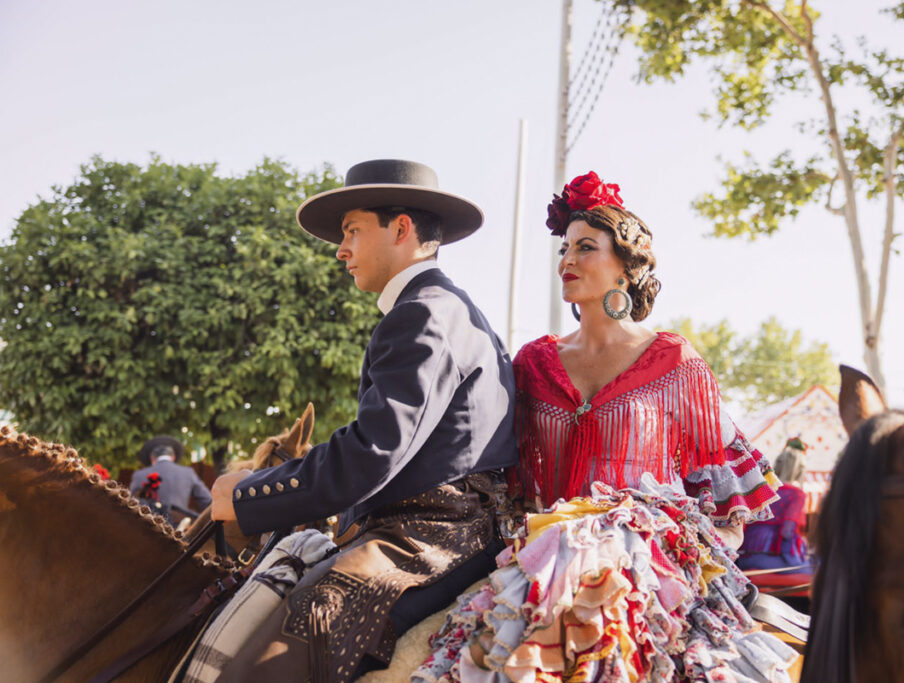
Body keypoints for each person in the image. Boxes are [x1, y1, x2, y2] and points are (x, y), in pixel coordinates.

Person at [413, 172, 794, 683]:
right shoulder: (532, 362)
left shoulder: (675, 362)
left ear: (626, 267)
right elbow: (502, 471)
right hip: (541, 558)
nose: (566, 261)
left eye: (585, 248)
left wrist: (689, 551)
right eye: (564, 249)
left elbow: (718, 490)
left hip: (645, 567)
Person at [207, 159, 518, 681]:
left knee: (302, 628)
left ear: (401, 229)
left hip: (435, 532)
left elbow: (372, 451)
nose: (341, 249)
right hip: (430, 524)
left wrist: (247, 493)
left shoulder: (423, 312)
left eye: (352, 230)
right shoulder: (441, 308)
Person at [738, 438, 810, 571]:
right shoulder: (796, 494)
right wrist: (794, 561)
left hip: (744, 557)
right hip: (772, 558)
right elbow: (787, 532)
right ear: (800, 471)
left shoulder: (762, 490)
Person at [129, 435, 211, 515]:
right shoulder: (188, 472)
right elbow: (207, 501)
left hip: (149, 524)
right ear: (173, 457)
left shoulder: (139, 475)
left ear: (152, 458)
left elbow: (131, 503)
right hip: (181, 525)